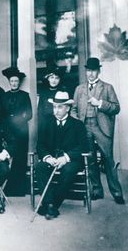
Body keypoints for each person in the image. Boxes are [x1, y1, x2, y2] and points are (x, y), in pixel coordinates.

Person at [72, 57, 125, 204]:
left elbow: (116, 107)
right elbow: (73, 110)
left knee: (108, 160)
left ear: (98, 71)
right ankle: (96, 190)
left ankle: (117, 193)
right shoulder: (79, 89)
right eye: (88, 70)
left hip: (102, 128)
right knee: (90, 160)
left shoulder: (107, 87)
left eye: (93, 71)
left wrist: (100, 103)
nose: (90, 74)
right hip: (84, 127)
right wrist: (77, 123)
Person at [36, 91, 89, 220]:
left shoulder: (78, 125)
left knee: (68, 170)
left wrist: (65, 158)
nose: (56, 110)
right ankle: (49, 204)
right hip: (52, 159)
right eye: (54, 107)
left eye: (60, 107)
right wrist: (48, 157)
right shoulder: (46, 123)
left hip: (71, 160)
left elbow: (83, 146)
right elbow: (40, 145)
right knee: (40, 167)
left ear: (68, 108)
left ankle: (53, 205)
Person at [1, 67, 32, 196]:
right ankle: (7, 186)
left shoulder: (25, 96)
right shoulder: (5, 95)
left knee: (20, 157)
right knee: (7, 156)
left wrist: (19, 120)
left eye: (16, 81)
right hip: (8, 131)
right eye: (12, 81)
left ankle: (19, 189)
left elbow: (29, 113)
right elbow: (1, 114)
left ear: (19, 82)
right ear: (9, 82)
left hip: (21, 130)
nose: (14, 83)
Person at [37, 65, 64, 135]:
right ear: (48, 79)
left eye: (57, 78)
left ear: (60, 80)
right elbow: (40, 110)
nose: (54, 80)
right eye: (52, 78)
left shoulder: (63, 93)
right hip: (45, 124)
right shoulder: (43, 93)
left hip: (59, 123)